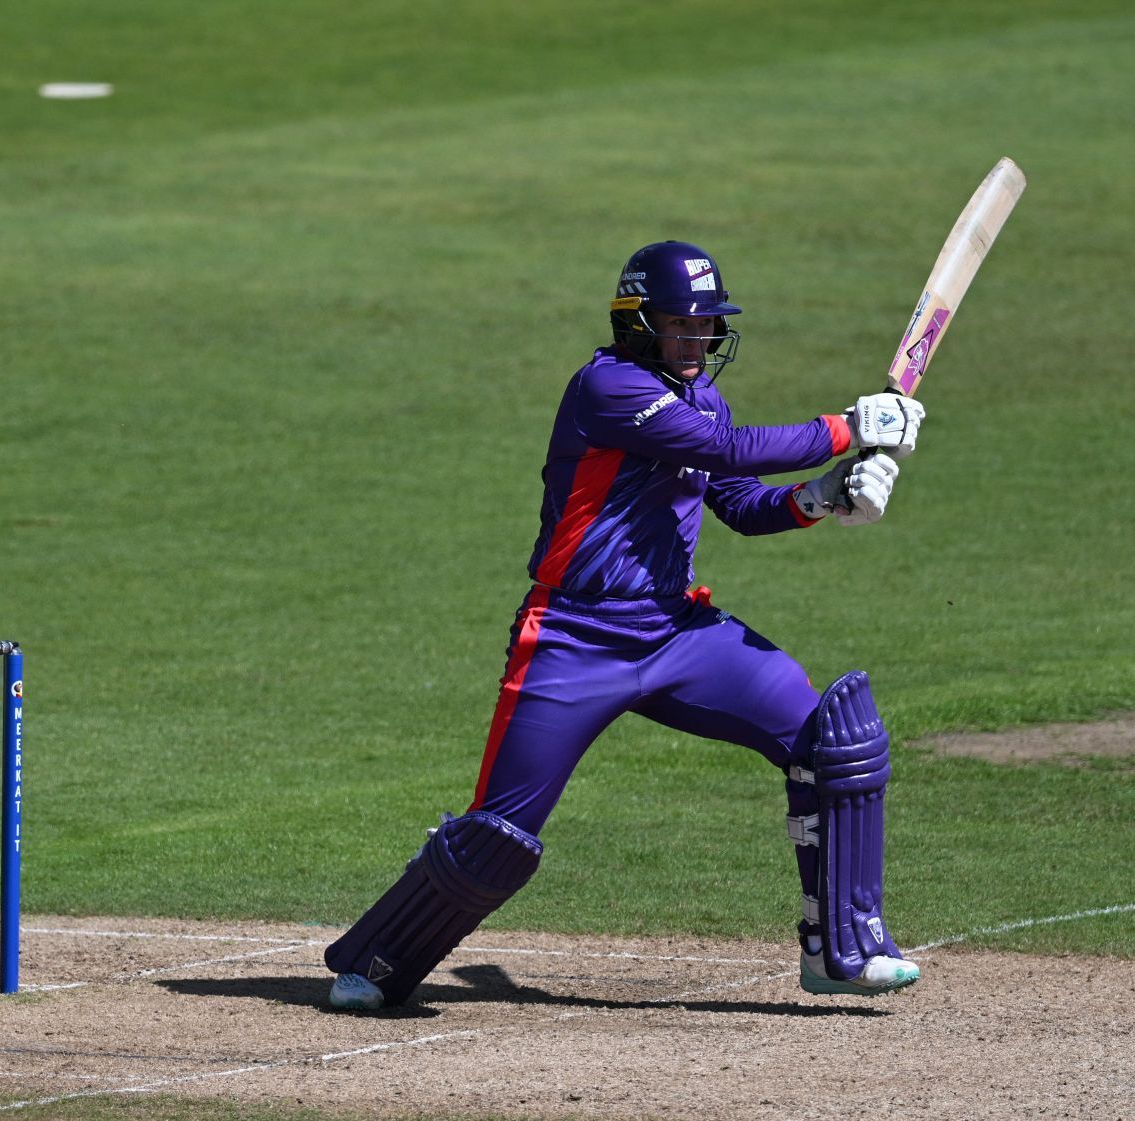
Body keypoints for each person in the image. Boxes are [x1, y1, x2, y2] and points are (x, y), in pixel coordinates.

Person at [323, 241, 928, 1011]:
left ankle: (841, 948)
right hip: (573, 638)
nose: (697, 342)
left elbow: (739, 502)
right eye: (681, 325)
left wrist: (822, 496)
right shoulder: (606, 387)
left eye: (707, 326)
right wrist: (846, 428)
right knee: (500, 835)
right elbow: (721, 450)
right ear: (636, 321)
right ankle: (376, 960)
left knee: (830, 738)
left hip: (677, 632)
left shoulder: (702, 395)